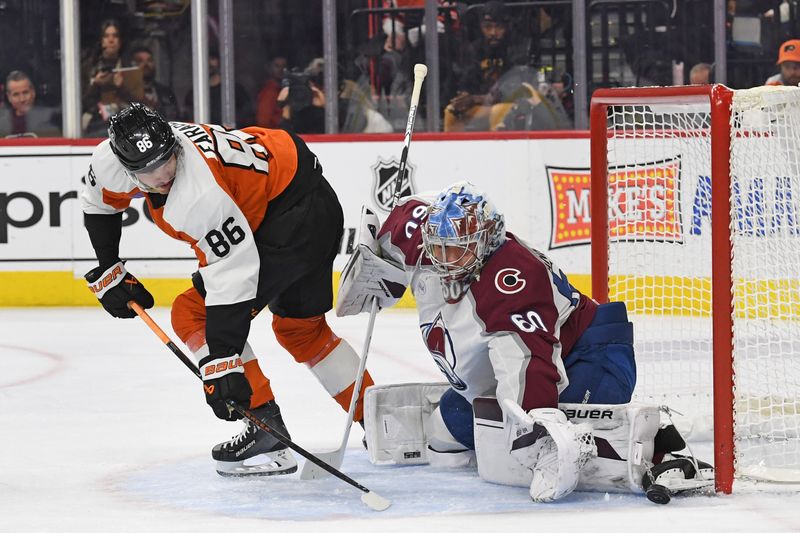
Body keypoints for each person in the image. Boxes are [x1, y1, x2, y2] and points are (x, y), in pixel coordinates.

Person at [337, 182, 713, 502]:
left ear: (485, 240)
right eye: (438, 247)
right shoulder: (427, 237)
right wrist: (377, 257)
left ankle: (657, 451)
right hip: (540, 359)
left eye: (456, 249)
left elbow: (529, 366)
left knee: (557, 444)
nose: (444, 260)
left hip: (590, 358)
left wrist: (537, 436)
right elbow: (400, 219)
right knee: (443, 432)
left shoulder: (510, 279)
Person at [80, 103, 375, 477]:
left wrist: (223, 364)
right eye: (149, 170)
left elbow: (232, 276)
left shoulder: (199, 194)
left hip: (292, 219)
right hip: (301, 191)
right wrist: (109, 266)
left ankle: (265, 429)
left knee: (192, 313)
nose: (163, 174)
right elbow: (98, 202)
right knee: (301, 331)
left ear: (173, 142)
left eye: (167, 160)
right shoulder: (110, 160)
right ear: (124, 166)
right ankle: (384, 425)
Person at [81, 19, 142, 136]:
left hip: (126, 121)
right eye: (106, 36)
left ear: (120, 41)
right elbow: (81, 104)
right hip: (95, 122)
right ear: (102, 41)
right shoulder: (88, 67)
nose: (111, 40)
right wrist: (96, 84)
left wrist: (121, 87)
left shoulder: (130, 66)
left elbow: (140, 104)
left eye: (115, 36)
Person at [184, 49, 253, 126]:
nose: (208, 63)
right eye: (205, 59)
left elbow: (247, 118)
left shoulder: (235, 91)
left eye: (212, 59)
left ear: (220, 62)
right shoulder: (193, 94)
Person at [0, 70, 59, 137]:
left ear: (33, 93)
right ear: (9, 97)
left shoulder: (49, 118)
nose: (22, 99)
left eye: (25, 92)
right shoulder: (1, 124)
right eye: (16, 95)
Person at [131, 46, 180, 120]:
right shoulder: (127, 94)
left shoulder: (166, 93)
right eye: (140, 61)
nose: (146, 64)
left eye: (149, 60)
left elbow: (176, 119)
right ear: (133, 65)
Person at [256, 56, 287, 129]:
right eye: (277, 66)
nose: (281, 69)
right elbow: (263, 122)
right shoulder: (269, 91)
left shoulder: (284, 89)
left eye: (284, 66)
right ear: (269, 68)